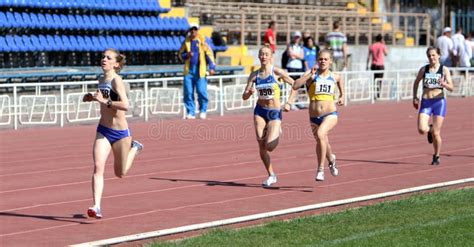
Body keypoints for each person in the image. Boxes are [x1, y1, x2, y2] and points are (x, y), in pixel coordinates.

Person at [82, 49, 144, 219]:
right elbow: (102, 98)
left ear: (116, 64)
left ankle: (134, 149)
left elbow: (125, 105)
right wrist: (91, 98)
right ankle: (97, 206)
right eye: (103, 56)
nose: (104, 59)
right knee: (98, 166)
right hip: (103, 129)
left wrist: (105, 101)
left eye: (108, 58)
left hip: (121, 133)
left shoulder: (117, 81)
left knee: (120, 173)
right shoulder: (101, 79)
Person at [241, 45, 298, 187]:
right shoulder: (254, 75)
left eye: (266, 54)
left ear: (271, 56)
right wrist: (248, 93)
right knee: (261, 145)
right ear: (259, 57)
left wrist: (289, 103)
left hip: (274, 111)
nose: (264, 57)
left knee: (270, 147)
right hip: (259, 111)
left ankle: (277, 129)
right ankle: (271, 175)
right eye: (262, 54)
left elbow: (295, 85)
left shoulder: (277, 72)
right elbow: (244, 96)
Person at [293, 49, 345, 181]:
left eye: (326, 59)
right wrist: (307, 76)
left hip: (330, 114)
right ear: (317, 60)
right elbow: (295, 85)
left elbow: (340, 81)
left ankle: (320, 169)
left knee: (321, 135)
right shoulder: (311, 74)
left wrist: (342, 96)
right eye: (321, 59)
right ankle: (332, 159)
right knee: (322, 141)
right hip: (314, 116)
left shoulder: (335, 76)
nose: (323, 61)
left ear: (330, 61)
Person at [412, 47, 454, 165]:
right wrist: (415, 97)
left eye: (434, 55)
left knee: (437, 133)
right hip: (426, 102)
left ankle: (436, 156)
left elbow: (451, 88)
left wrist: (444, 84)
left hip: (439, 102)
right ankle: (429, 130)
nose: (431, 58)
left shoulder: (444, 70)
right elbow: (416, 83)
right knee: (421, 129)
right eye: (429, 56)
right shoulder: (424, 69)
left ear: (439, 56)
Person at [178, 23, 216, 119]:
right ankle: (190, 112)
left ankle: (203, 110)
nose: (193, 31)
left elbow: (209, 54)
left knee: (201, 91)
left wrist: (212, 67)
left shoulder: (203, 40)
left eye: (195, 29)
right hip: (189, 70)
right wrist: (187, 55)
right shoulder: (186, 41)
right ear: (189, 30)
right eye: (192, 29)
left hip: (200, 70)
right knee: (188, 92)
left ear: (197, 30)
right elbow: (180, 55)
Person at [367, 34, 388, 98]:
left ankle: (374, 94)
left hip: (373, 65)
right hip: (380, 65)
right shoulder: (382, 46)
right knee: (379, 80)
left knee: (374, 80)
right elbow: (386, 53)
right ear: (381, 39)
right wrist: (384, 44)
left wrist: (367, 65)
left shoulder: (372, 46)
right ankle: (378, 94)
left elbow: (368, 57)